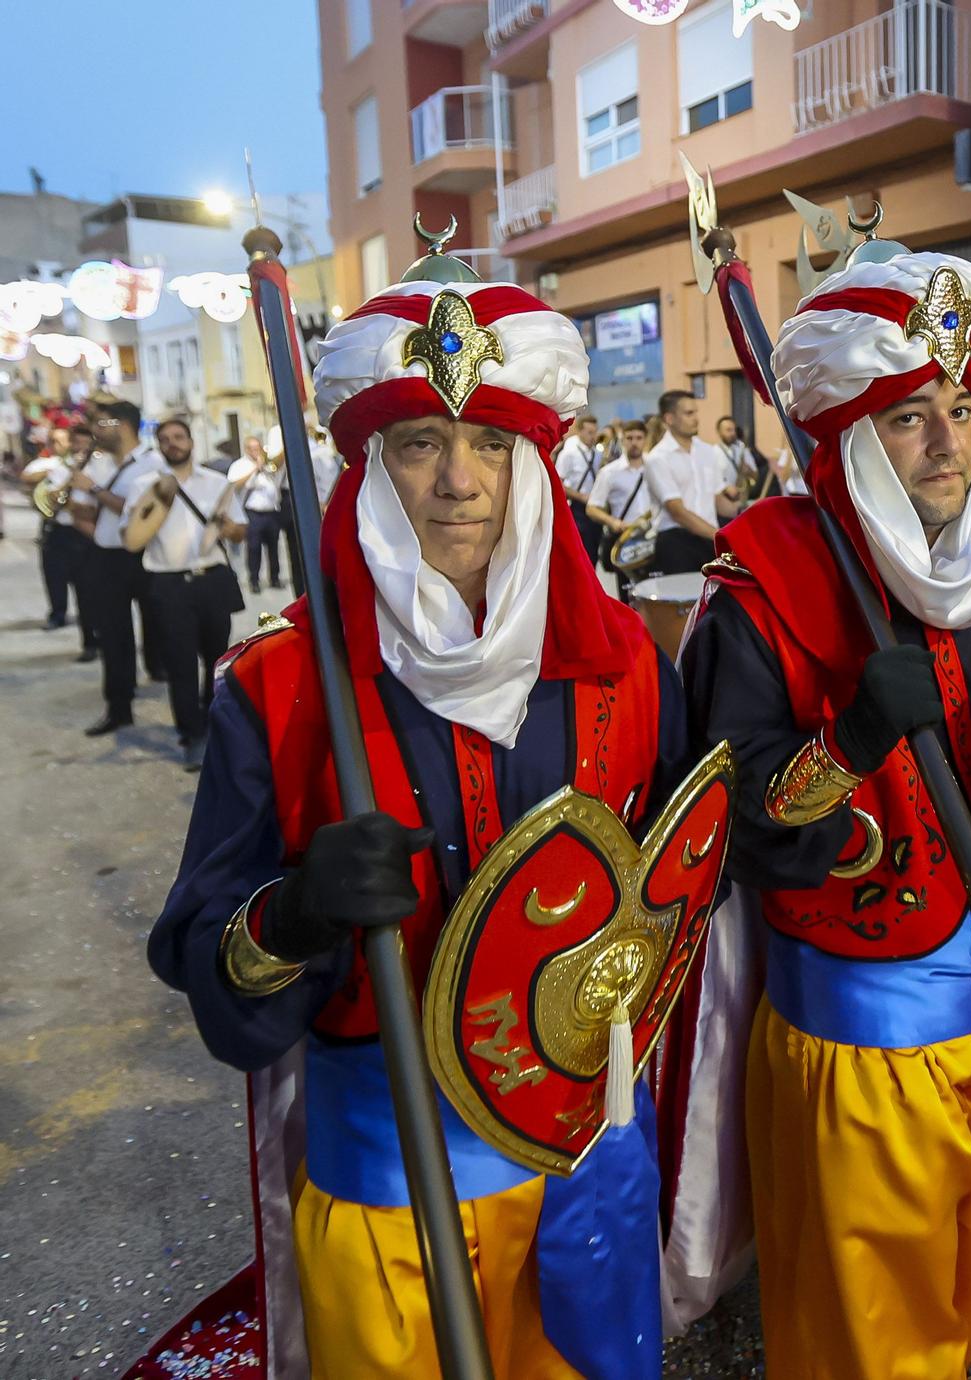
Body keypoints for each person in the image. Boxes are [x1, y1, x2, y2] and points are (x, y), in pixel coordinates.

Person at [147, 265, 690, 1377]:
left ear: (534, 465)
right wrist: (292, 917)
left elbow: (685, 875)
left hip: (583, 1187)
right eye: (418, 446)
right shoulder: (282, 683)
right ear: (368, 469)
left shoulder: (625, 662)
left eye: (490, 443)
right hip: (389, 1209)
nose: (457, 482)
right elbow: (209, 958)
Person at [680, 251, 971, 1378]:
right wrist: (844, 746)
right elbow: (734, 826)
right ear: (850, 438)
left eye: (961, 409)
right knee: (866, 1335)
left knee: (945, 1302)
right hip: (854, 1036)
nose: (953, 444)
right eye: (910, 418)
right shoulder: (762, 585)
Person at [120, 416, 247, 769]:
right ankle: (191, 734)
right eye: (166, 439)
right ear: (159, 446)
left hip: (211, 579)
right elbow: (129, 537)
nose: (173, 443)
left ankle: (215, 726)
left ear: (191, 441)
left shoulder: (217, 483)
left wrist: (227, 526)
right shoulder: (145, 485)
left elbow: (239, 532)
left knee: (217, 659)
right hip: (168, 583)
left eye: (179, 437)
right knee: (180, 664)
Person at [68, 398, 165, 736]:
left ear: (122, 426)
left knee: (159, 622)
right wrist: (97, 530)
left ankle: (163, 675)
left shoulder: (154, 463)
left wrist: (94, 492)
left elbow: (143, 512)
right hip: (107, 556)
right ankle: (119, 706)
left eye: (102, 424)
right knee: (113, 634)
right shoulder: (96, 463)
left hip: (145, 555)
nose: (96, 431)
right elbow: (80, 510)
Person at [645, 390, 740, 572]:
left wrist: (747, 511)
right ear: (669, 418)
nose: (696, 418)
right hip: (676, 542)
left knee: (715, 599)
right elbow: (677, 512)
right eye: (689, 413)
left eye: (696, 412)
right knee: (685, 600)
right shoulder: (657, 458)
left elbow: (718, 500)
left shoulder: (707, 451)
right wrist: (720, 536)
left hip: (709, 539)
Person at [37, 423, 97, 652]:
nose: (81, 448)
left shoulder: (99, 468)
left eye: (85, 444)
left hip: (85, 535)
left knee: (87, 591)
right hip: (61, 532)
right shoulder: (63, 467)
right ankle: (62, 617)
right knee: (56, 578)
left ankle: (93, 639)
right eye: (77, 443)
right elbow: (48, 494)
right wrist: (66, 485)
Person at [586, 420, 656, 598]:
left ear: (645, 439)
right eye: (629, 438)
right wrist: (613, 522)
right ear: (622, 440)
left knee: (656, 592)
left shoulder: (656, 466)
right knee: (629, 596)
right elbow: (592, 507)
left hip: (654, 536)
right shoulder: (609, 472)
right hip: (626, 539)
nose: (634, 442)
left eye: (639, 438)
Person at [553, 411, 604, 561]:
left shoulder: (596, 451)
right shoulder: (569, 453)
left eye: (595, 432)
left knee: (594, 550)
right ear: (580, 431)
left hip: (594, 505)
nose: (593, 436)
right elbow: (558, 483)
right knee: (583, 552)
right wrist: (581, 496)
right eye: (589, 432)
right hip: (577, 507)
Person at [239, 438, 287, 593]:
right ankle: (254, 580)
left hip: (272, 512)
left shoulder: (268, 467)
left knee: (274, 547)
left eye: (257, 448)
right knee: (254, 548)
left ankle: (274, 578)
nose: (255, 451)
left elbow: (279, 476)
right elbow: (239, 485)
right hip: (254, 513)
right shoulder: (241, 465)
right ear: (246, 450)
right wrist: (255, 469)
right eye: (252, 449)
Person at [716, 413, 768, 494]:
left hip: (741, 498)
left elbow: (756, 476)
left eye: (734, 430)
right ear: (719, 432)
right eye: (728, 430)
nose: (733, 433)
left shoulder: (742, 449)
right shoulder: (713, 452)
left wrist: (749, 471)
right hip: (724, 499)